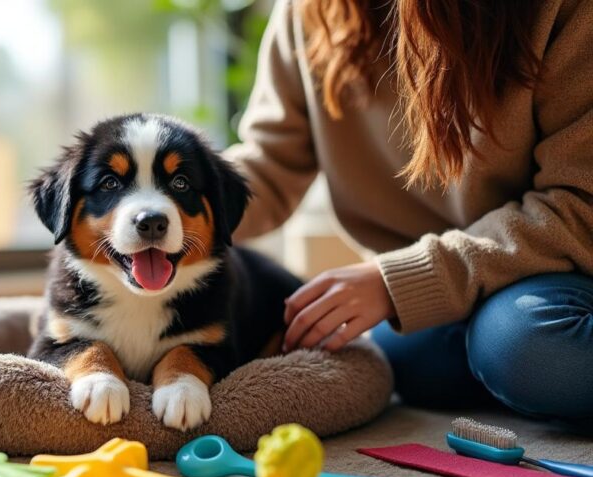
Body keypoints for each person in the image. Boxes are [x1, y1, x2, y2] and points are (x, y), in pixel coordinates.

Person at [225, 0, 593, 422]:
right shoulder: (309, 11)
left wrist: (397, 282)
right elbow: (270, 165)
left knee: (518, 344)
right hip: (460, 288)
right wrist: (170, 202)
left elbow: (580, 204)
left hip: (565, 273)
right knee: (402, 360)